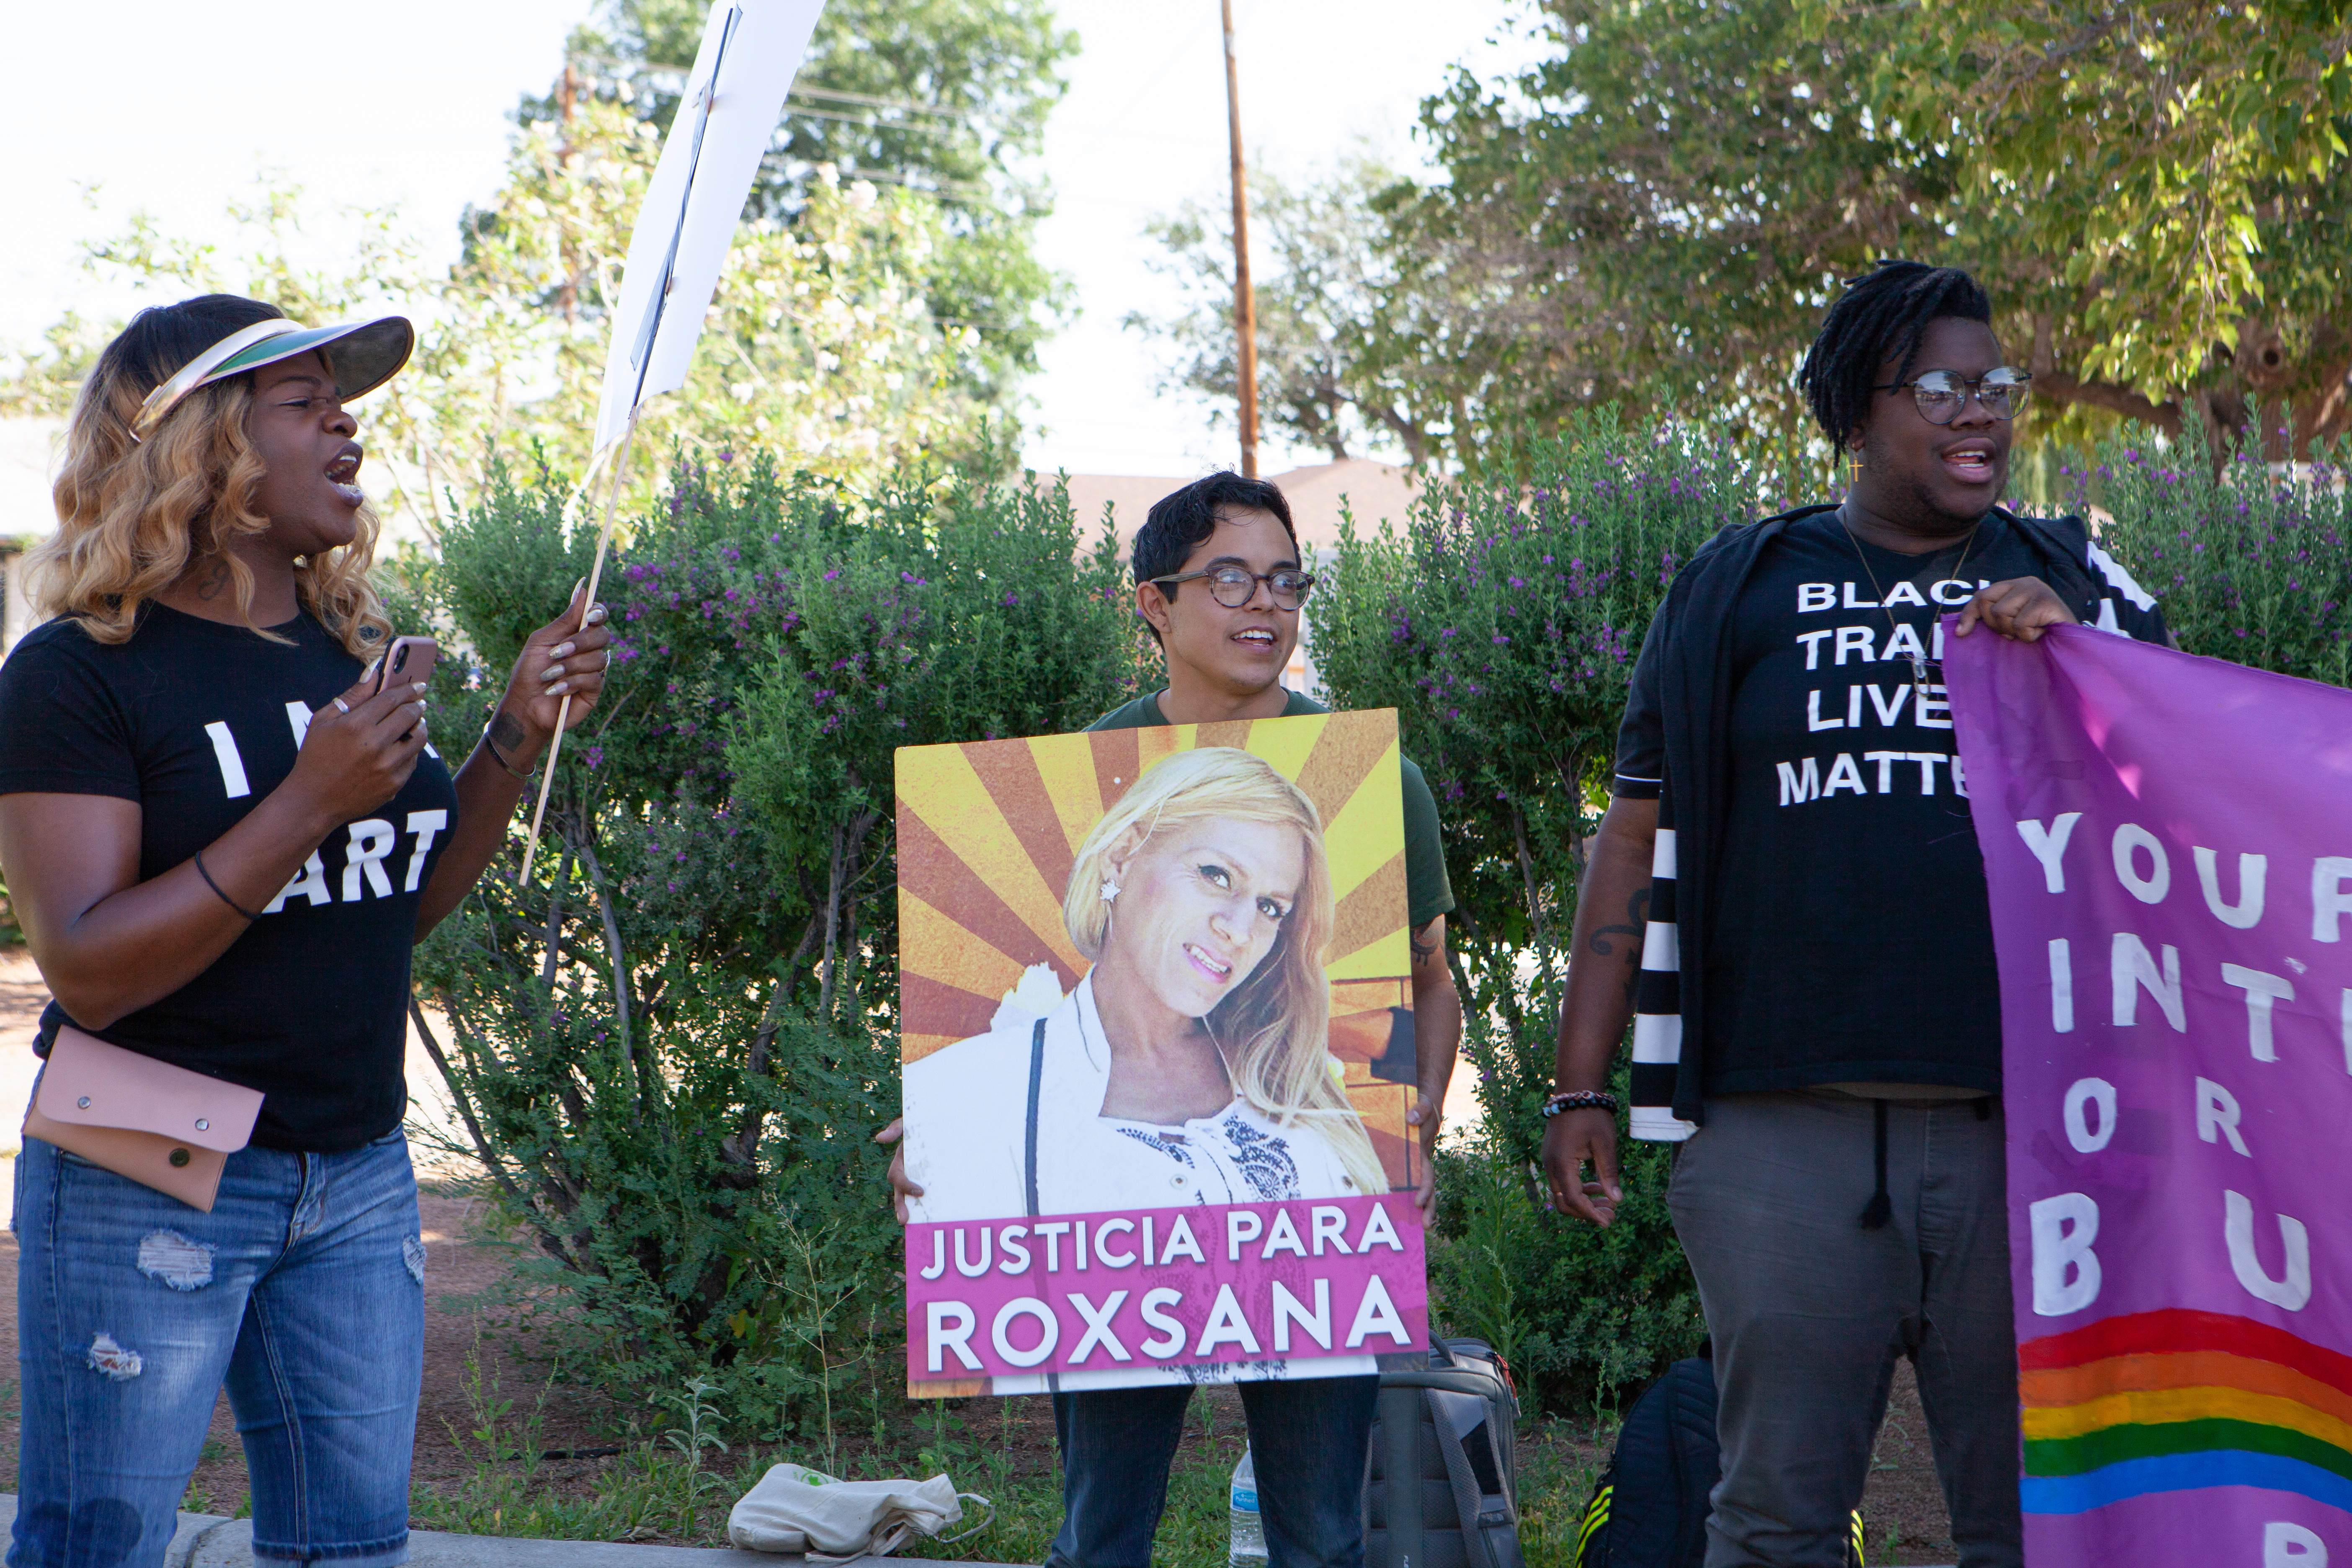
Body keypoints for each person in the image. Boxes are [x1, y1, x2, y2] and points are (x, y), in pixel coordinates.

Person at [1540, 261, 2169, 1568]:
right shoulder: (1738, 587)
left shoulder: (2082, 582)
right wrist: (1578, 1085)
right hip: (1782, 1136)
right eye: (1942, 384)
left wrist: (2088, 667)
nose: (1980, 411)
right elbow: (1633, 832)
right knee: (1774, 1521)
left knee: (2046, 1528)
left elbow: (2181, 806)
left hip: (2034, 1139)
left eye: (1997, 384)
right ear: (1853, 405)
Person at [0, 294, 612, 1568]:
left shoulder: (350, 650)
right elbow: (92, 971)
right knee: (96, 1543)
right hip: (141, 1158)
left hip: (356, 1169)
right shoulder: (78, 673)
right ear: (205, 442)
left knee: (351, 1546)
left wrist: (511, 733)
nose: (348, 424)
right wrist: (308, 799)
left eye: (346, 399)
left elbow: (403, 897)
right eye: (306, 399)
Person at [881, 471, 1462, 1568]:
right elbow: (1004, 1053)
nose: (1267, 605)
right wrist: (948, 1146)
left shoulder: (1379, 786)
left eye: (1287, 580)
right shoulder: (1085, 773)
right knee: (1102, 1534)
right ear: (1155, 603)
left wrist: (1411, 1117)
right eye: (1231, 577)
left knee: (1325, 1537)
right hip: (1106, 1224)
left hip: (1310, 1222)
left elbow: (1428, 982)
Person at [905, 744, 1387, 1243]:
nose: (1241, 930)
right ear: (1121, 857)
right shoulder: (959, 1096)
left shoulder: (1296, 1083)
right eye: (1216, 876)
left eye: (1270, 907)